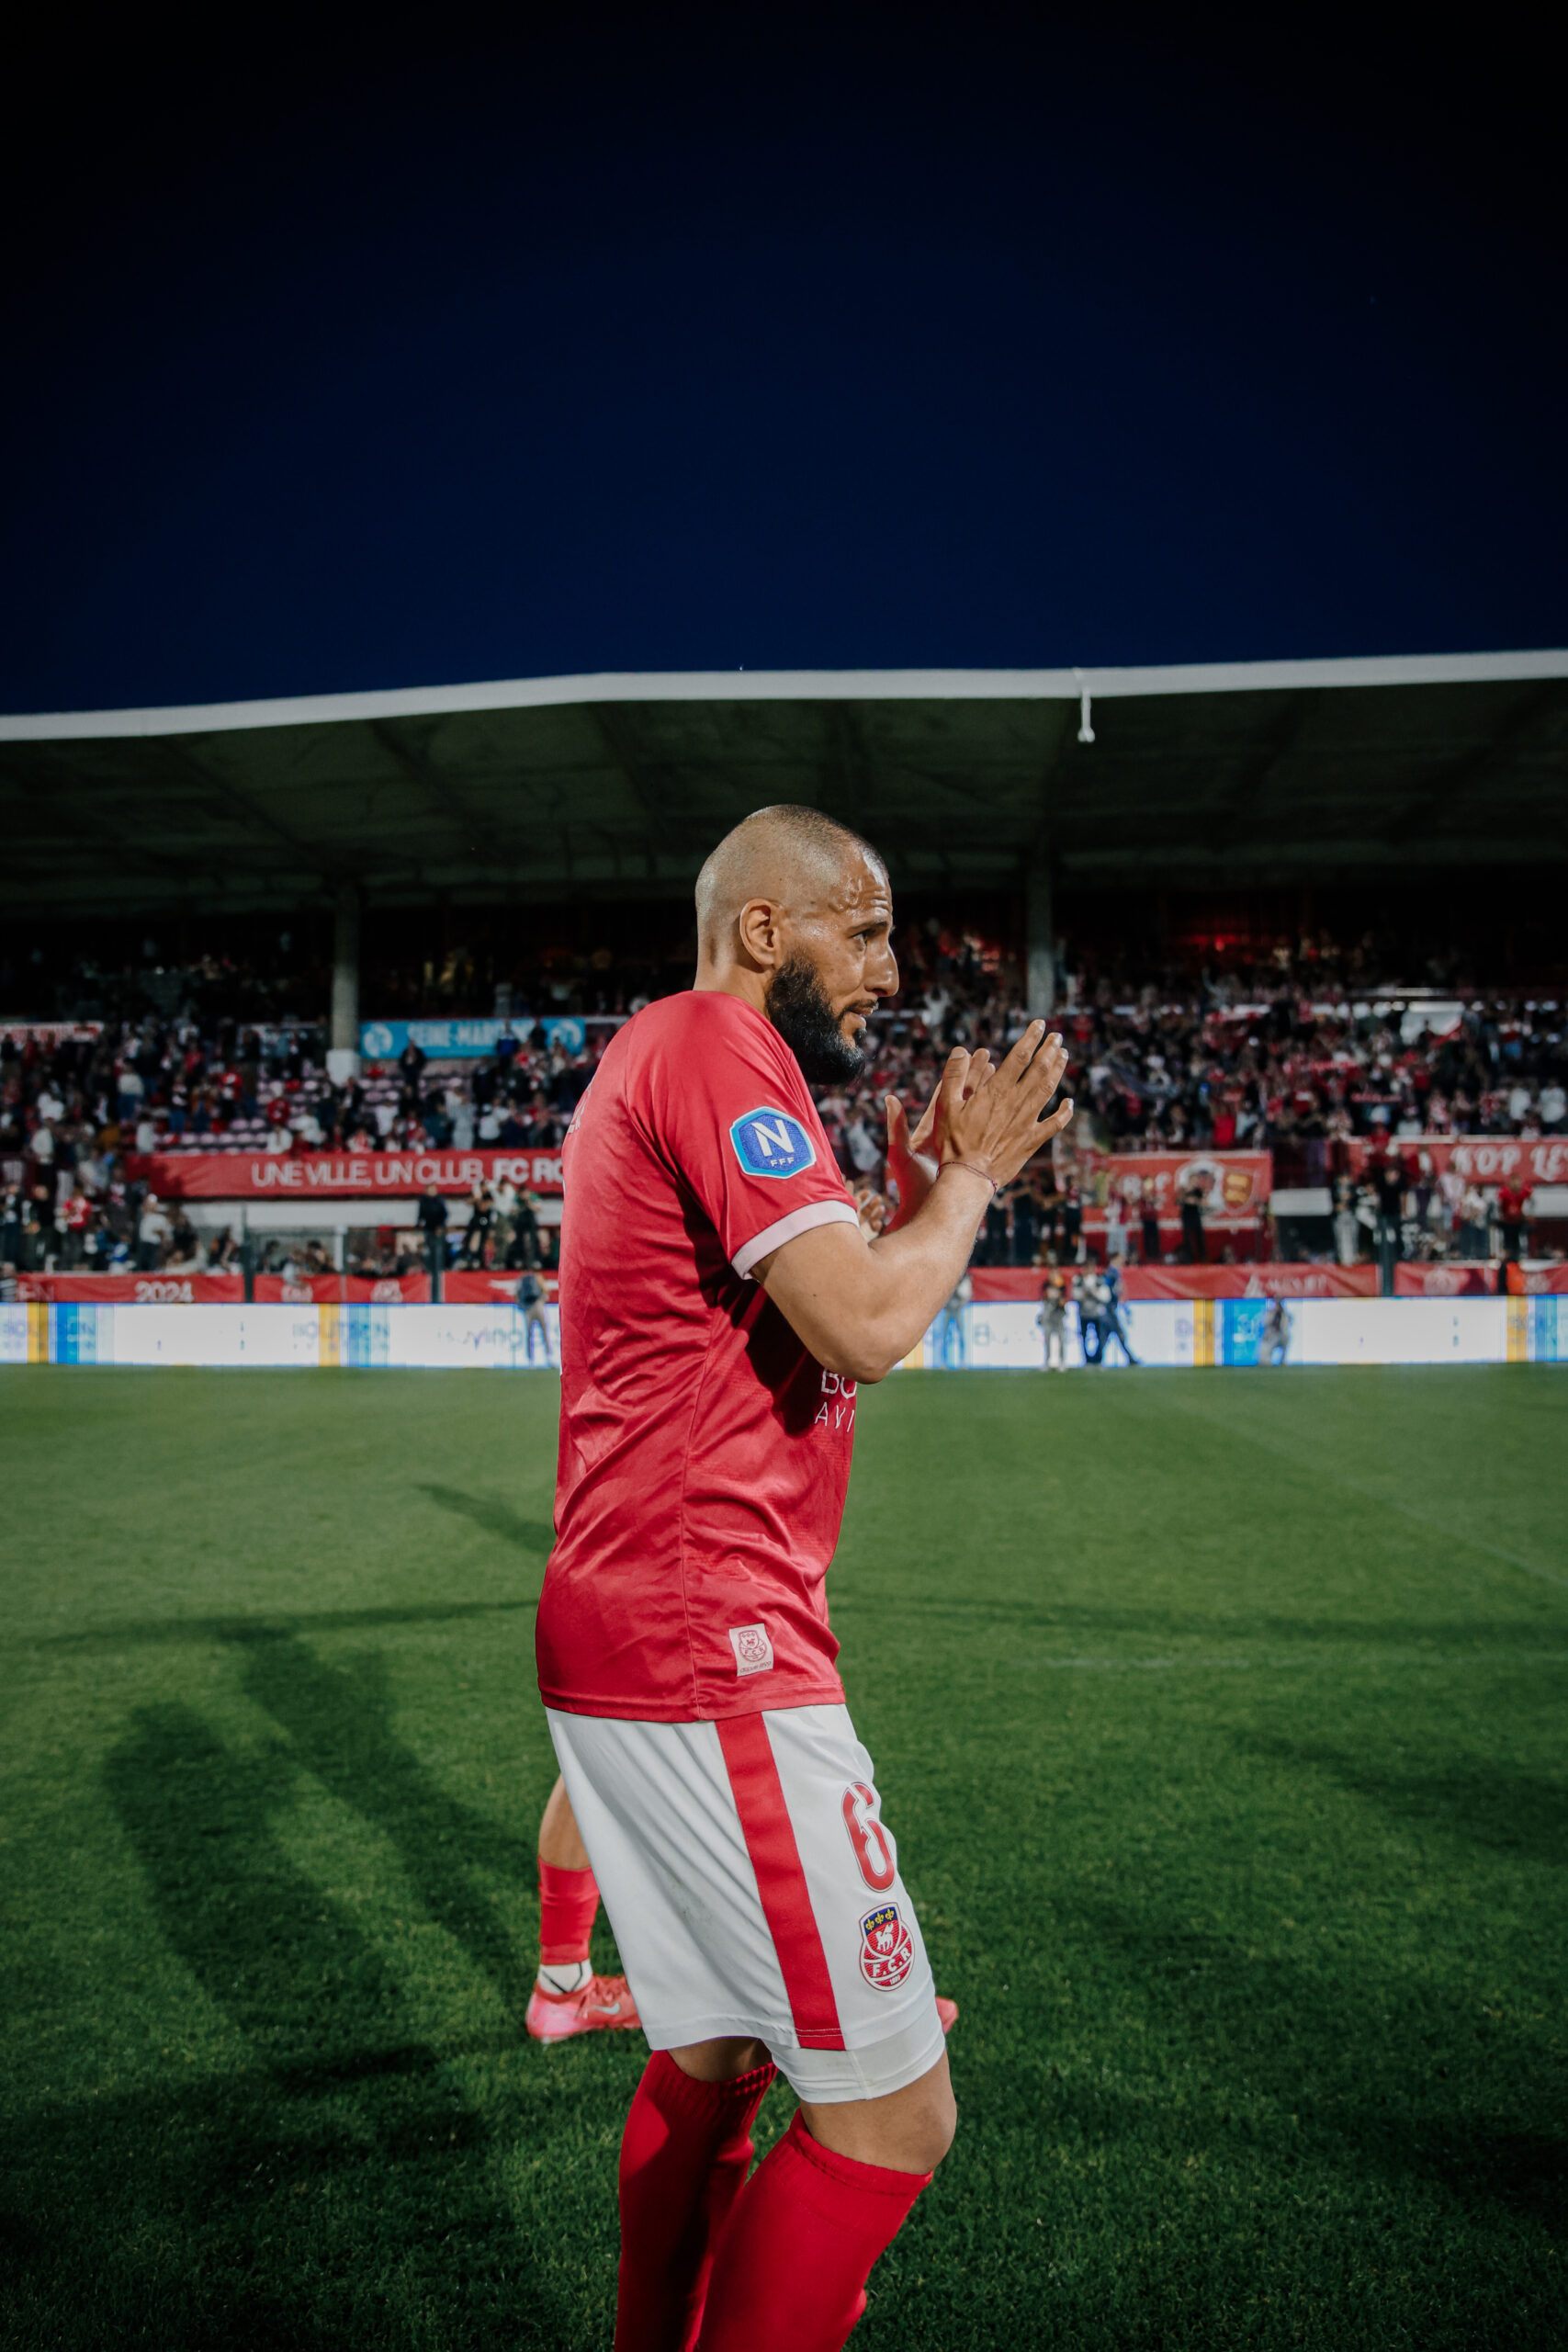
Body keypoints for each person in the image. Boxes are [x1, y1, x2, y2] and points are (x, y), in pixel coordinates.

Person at [536, 805, 1073, 2351]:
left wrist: (911, 1200)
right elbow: (864, 1329)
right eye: (867, 930)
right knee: (896, 2118)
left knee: (716, 2053)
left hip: (639, 1625)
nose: (890, 971)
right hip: (712, 1639)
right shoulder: (715, 1044)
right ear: (764, 928)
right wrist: (968, 1186)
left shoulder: (678, 1058)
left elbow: (820, 1317)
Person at [518, 1267, 552, 1365]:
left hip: (529, 1307)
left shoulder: (522, 1279)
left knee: (530, 1334)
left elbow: (517, 1295)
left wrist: (522, 1306)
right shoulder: (537, 1277)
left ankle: (531, 1359)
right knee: (543, 1331)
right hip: (537, 1306)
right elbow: (546, 1291)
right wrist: (543, 1301)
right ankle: (547, 1357)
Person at [1037, 1266, 1067, 1370]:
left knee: (1061, 1339)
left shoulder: (1062, 1285)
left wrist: (1058, 1297)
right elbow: (1043, 1298)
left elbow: (1064, 1301)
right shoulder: (1046, 1285)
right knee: (1047, 1340)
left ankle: (1062, 1361)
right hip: (1048, 1316)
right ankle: (1047, 1361)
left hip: (1058, 1316)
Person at [1261, 1296, 1292, 1365]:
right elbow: (1265, 1323)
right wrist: (1273, 1312)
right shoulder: (1269, 1313)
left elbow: (1288, 1322)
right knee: (1265, 1357)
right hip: (1271, 1335)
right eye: (1276, 1302)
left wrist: (1283, 1312)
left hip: (1281, 1335)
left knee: (1287, 1337)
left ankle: (1283, 1361)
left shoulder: (1284, 1314)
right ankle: (1267, 1361)